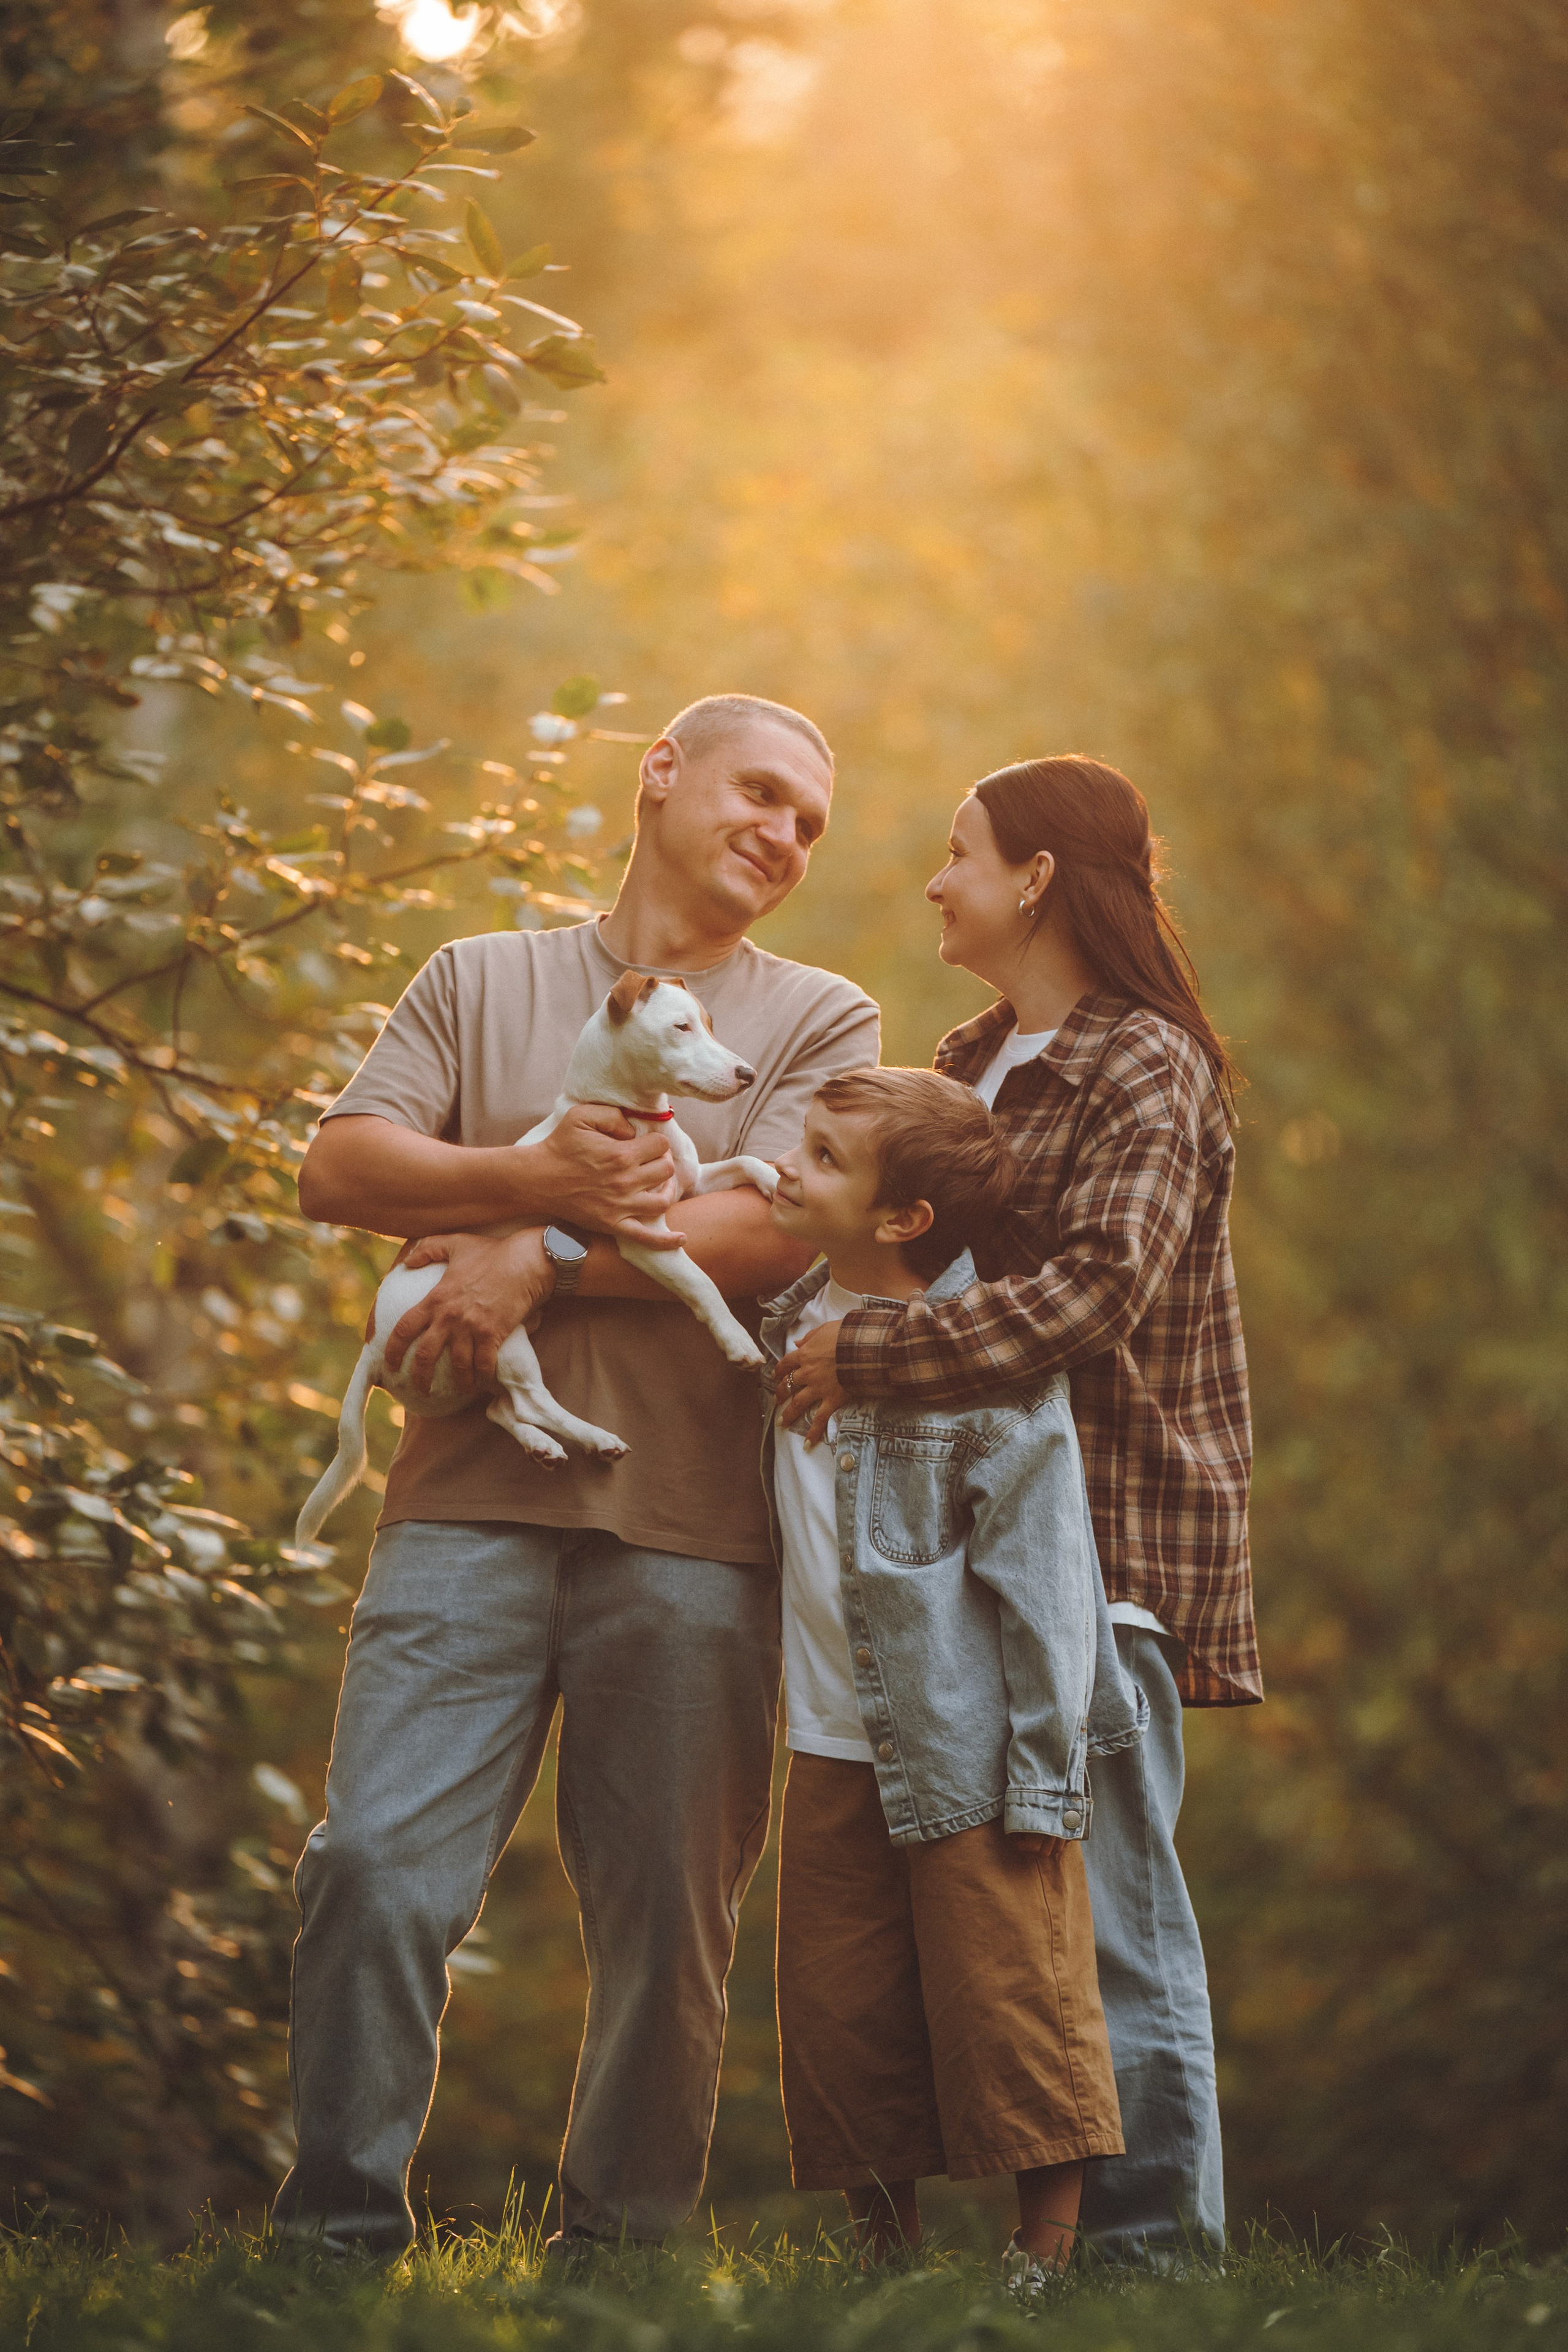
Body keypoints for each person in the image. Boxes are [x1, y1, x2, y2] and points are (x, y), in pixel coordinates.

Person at [274, 693, 880, 2257]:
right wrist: (537, 1179)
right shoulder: (477, 979)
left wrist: (523, 1252)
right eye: (761, 793)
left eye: (809, 824)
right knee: (372, 1872)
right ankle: (333, 2243)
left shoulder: (817, 1019)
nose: (783, 834)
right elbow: (340, 1168)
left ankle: (622, 2267)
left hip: (693, 1531)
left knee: (665, 1930)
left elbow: (768, 1237)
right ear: (658, 775)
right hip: (460, 1505)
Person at [777, 756, 1258, 2265]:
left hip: (1103, 1549)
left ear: (1037, 875)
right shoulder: (971, 1051)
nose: (934, 880)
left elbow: (1099, 1292)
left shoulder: (1146, 1063)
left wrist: (867, 1355)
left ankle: (1148, 2262)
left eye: (958, 853)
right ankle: (1015, 2256)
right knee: (987, 1931)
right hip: (953, 1570)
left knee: (1106, 1923)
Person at [759, 1066, 1145, 2278]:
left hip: (969, 1743)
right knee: (841, 2007)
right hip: (828, 1737)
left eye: (825, 1157)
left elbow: (1045, 1583)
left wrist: (1044, 1773)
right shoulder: (786, 1326)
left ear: (901, 1222)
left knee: (1011, 1992)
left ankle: (1043, 2256)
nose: (791, 1164)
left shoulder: (986, 1366)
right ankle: (884, 2258)